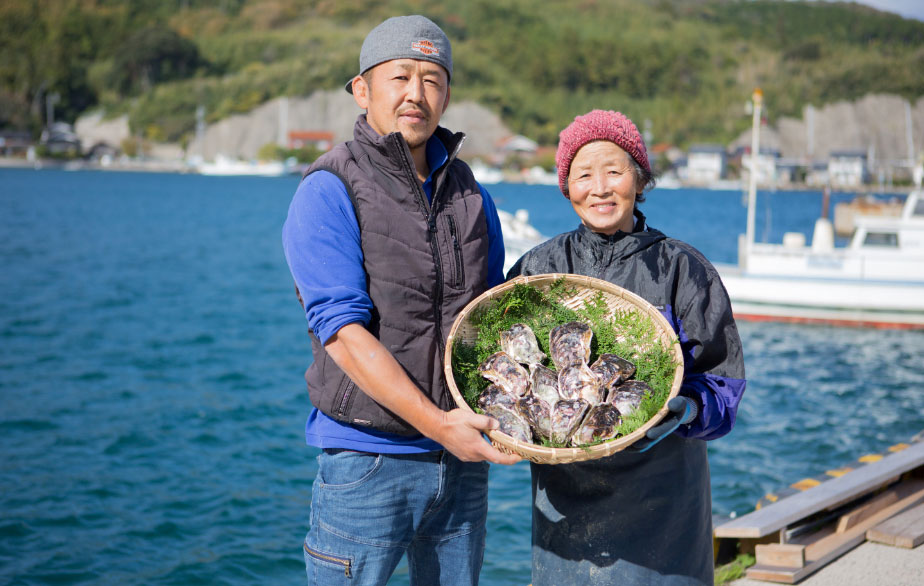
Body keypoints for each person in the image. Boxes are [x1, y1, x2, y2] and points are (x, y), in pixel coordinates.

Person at [282, 15, 520, 585]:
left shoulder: (473, 197)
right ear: (362, 90)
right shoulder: (328, 188)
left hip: (460, 466)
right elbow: (343, 336)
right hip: (367, 465)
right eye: (400, 77)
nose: (417, 93)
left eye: (433, 79)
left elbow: (488, 326)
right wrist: (440, 425)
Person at [507, 109, 747, 585]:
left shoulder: (682, 268)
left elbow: (723, 384)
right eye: (583, 175)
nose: (600, 187)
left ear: (639, 180)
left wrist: (681, 409)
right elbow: (508, 363)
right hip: (563, 496)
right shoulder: (538, 267)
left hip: (663, 496)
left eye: (614, 171)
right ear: (567, 187)